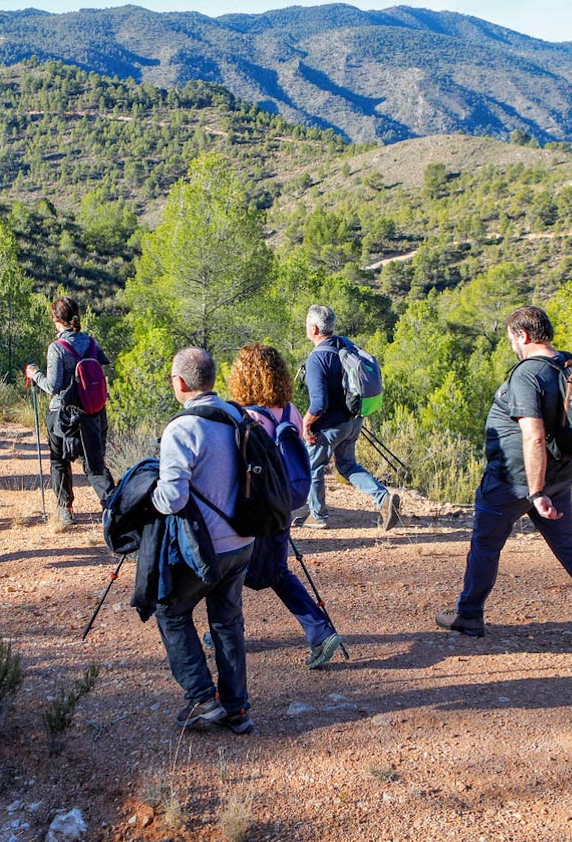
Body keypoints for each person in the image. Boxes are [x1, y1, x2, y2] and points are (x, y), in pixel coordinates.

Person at [437, 306, 572, 651]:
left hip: (515, 480)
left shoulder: (528, 374)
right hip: (557, 475)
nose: (512, 345)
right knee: (569, 546)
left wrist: (536, 490)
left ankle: (468, 614)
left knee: (485, 545)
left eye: (512, 338)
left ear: (523, 336)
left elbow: (534, 435)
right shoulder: (567, 364)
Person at [153, 347, 255, 734]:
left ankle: (201, 698)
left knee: (171, 611)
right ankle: (237, 710)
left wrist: (150, 498)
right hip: (242, 541)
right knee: (228, 623)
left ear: (180, 382)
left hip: (204, 548)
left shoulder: (182, 428)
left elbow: (173, 498)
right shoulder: (236, 415)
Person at [227, 342, 345, 669]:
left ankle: (223, 632)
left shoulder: (245, 416)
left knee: (228, 570)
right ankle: (320, 633)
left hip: (253, 510)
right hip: (284, 504)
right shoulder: (290, 409)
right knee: (275, 572)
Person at [300, 304, 399, 531]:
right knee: (347, 466)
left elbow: (319, 404)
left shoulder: (316, 359)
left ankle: (318, 516)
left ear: (314, 329)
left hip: (329, 427)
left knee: (313, 466)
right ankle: (383, 499)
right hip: (353, 421)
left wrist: (306, 424)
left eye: (307, 325)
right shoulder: (345, 344)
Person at [24, 296, 112, 523]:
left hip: (64, 416)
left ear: (56, 319)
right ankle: (113, 506)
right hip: (93, 412)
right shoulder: (91, 343)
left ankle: (65, 509)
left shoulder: (57, 348)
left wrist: (34, 374)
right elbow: (102, 363)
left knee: (58, 460)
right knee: (95, 465)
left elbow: (53, 387)